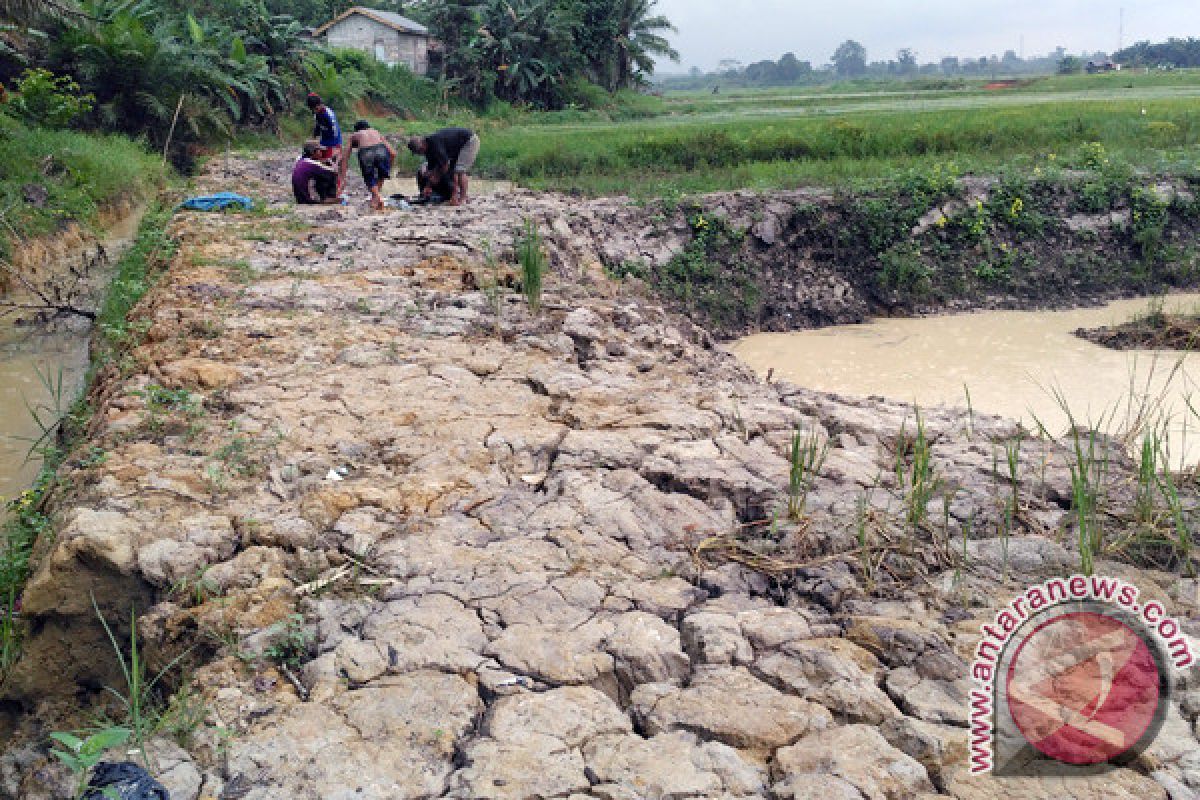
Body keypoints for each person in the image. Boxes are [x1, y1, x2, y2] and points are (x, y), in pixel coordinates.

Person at [406, 127, 480, 206]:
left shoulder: (435, 143)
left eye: (419, 151)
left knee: (459, 171)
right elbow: (431, 168)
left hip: (469, 141)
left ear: (423, 145)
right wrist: (428, 186)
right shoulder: (427, 150)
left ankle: (462, 198)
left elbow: (445, 165)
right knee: (448, 170)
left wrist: (437, 176)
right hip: (456, 146)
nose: (419, 154)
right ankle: (455, 195)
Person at [339, 120, 397, 211]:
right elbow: (393, 153)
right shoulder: (376, 132)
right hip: (381, 150)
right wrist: (388, 168)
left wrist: (342, 178)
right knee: (381, 175)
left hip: (366, 153)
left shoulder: (355, 135)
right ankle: (375, 199)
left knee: (369, 178)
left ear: (357, 130)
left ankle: (377, 198)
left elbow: (345, 158)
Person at [306, 93, 343, 169]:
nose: (315, 111)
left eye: (316, 109)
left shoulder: (329, 115)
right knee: (321, 163)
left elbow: (335, 131)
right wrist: (314, 139)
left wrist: (336, 147)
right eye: (313, 110)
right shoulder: (316, 114)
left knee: (333, 164)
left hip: (334, 142)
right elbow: (317, 126)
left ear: (320, 104)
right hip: (324, 140)